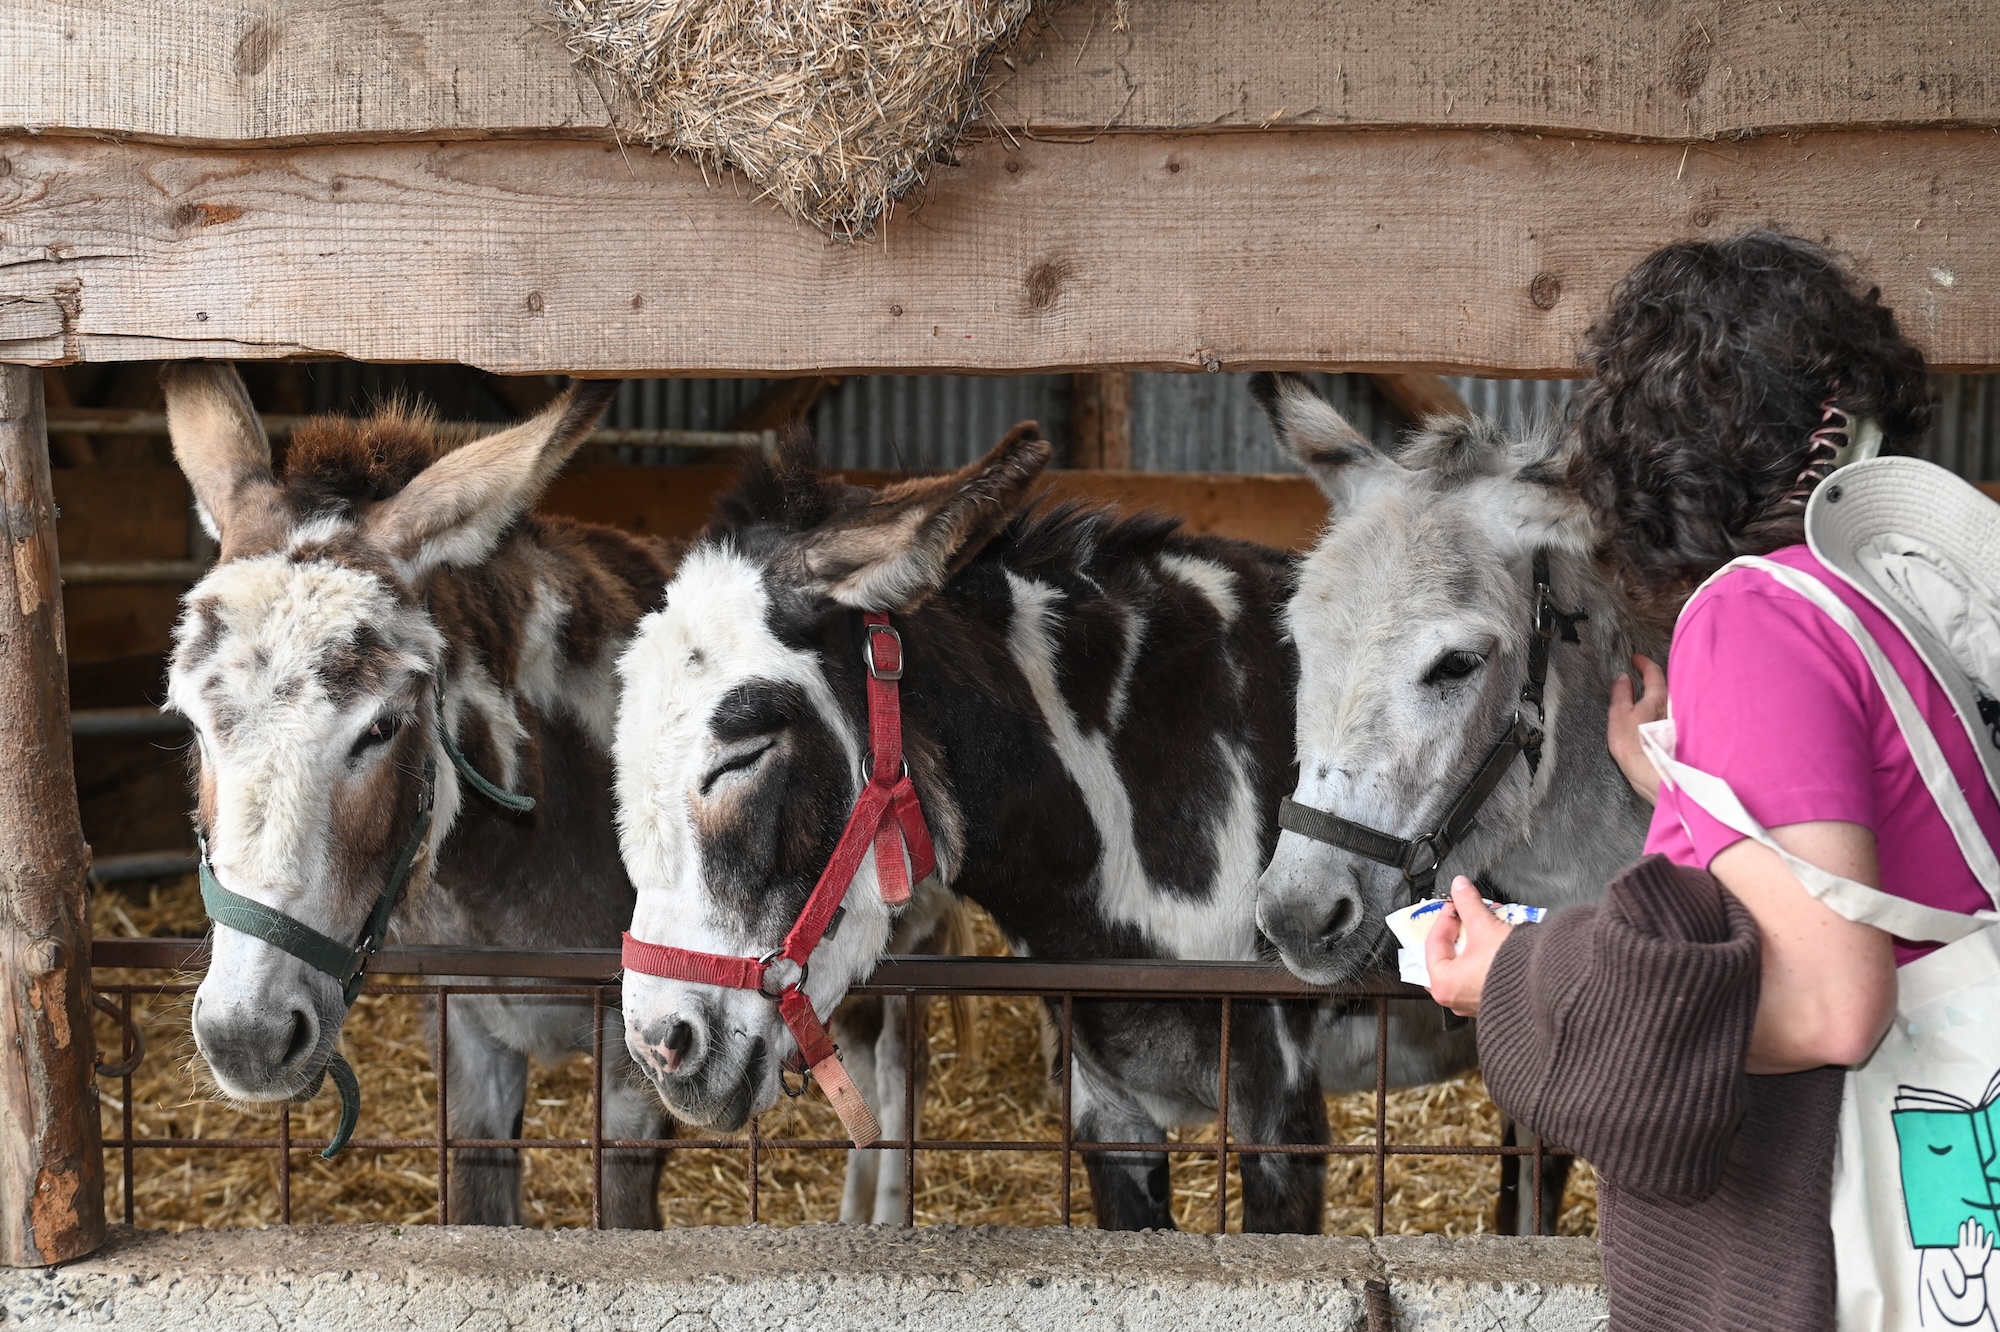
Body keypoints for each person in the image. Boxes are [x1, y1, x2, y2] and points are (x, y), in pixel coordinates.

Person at [1422, 232, 2000, 1330]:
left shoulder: (1752, 616)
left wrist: (1513, 978)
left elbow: (1831, 1004)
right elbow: (1884, 839)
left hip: (1847, 1219)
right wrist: (1679, 781)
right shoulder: (1896, 601)